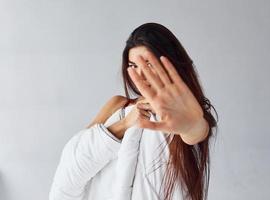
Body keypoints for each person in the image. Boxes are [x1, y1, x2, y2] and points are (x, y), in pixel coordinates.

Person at [49, 22, 218, 200]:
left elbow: (197, 132)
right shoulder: (118, 106)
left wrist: (191, 126)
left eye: (148, 64)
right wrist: (126, 123)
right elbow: (72, 167)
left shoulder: (185, 112)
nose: (141, 74)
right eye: (133, 65)